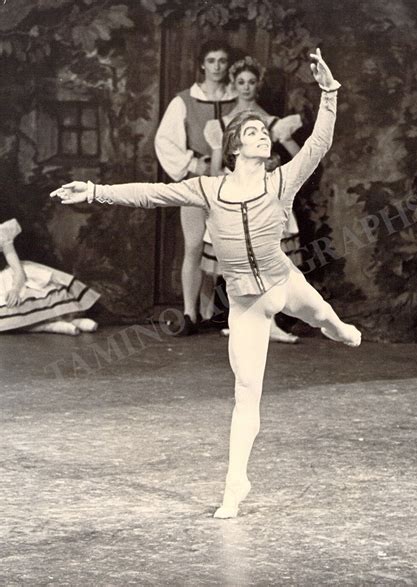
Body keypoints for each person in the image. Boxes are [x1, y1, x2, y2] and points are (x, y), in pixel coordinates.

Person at [51, 49, 361, 518]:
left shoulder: (281, 182)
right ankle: (236, 482)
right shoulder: (207, 188)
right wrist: (94, 191)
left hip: (284, 283)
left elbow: (317, 144)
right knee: (246, 392)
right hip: (247, 306)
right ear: (236, 147)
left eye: (264, 133)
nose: (263, 138)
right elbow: (152, 194)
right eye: (253, 133)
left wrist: (330, 92)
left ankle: (339, 328)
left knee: (325, 319)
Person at [203, 55, 306, 343]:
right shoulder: (222, 125)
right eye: (240, 83)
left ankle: (269, 324)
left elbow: (300, 160)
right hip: (234, 199)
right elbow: (214, 170)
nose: (246, 88)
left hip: (265, 199)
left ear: (257, 85)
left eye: (251, 82)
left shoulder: (272, 122)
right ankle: (240, 321)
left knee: (268, 263)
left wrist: (277, 158)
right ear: (233, 86)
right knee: (237, 265)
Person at [154, 40, 237, 335]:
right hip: (196, 184)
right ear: (202, 64)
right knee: (194, 246)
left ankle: (212, 310)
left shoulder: (238, 97)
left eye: (222, 60)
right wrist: (193, 164)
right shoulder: (184, 101)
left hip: (231, 182)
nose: (217, 67)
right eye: (211, 60)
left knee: (224, 248)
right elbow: (165, 143)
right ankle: (190, 314)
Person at [0, 218, 99, 334]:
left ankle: (72, 320)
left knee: (25, 298)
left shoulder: (1, 233)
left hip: (9, 277)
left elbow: (17, 269)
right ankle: (50, 326)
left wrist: (15, 289)